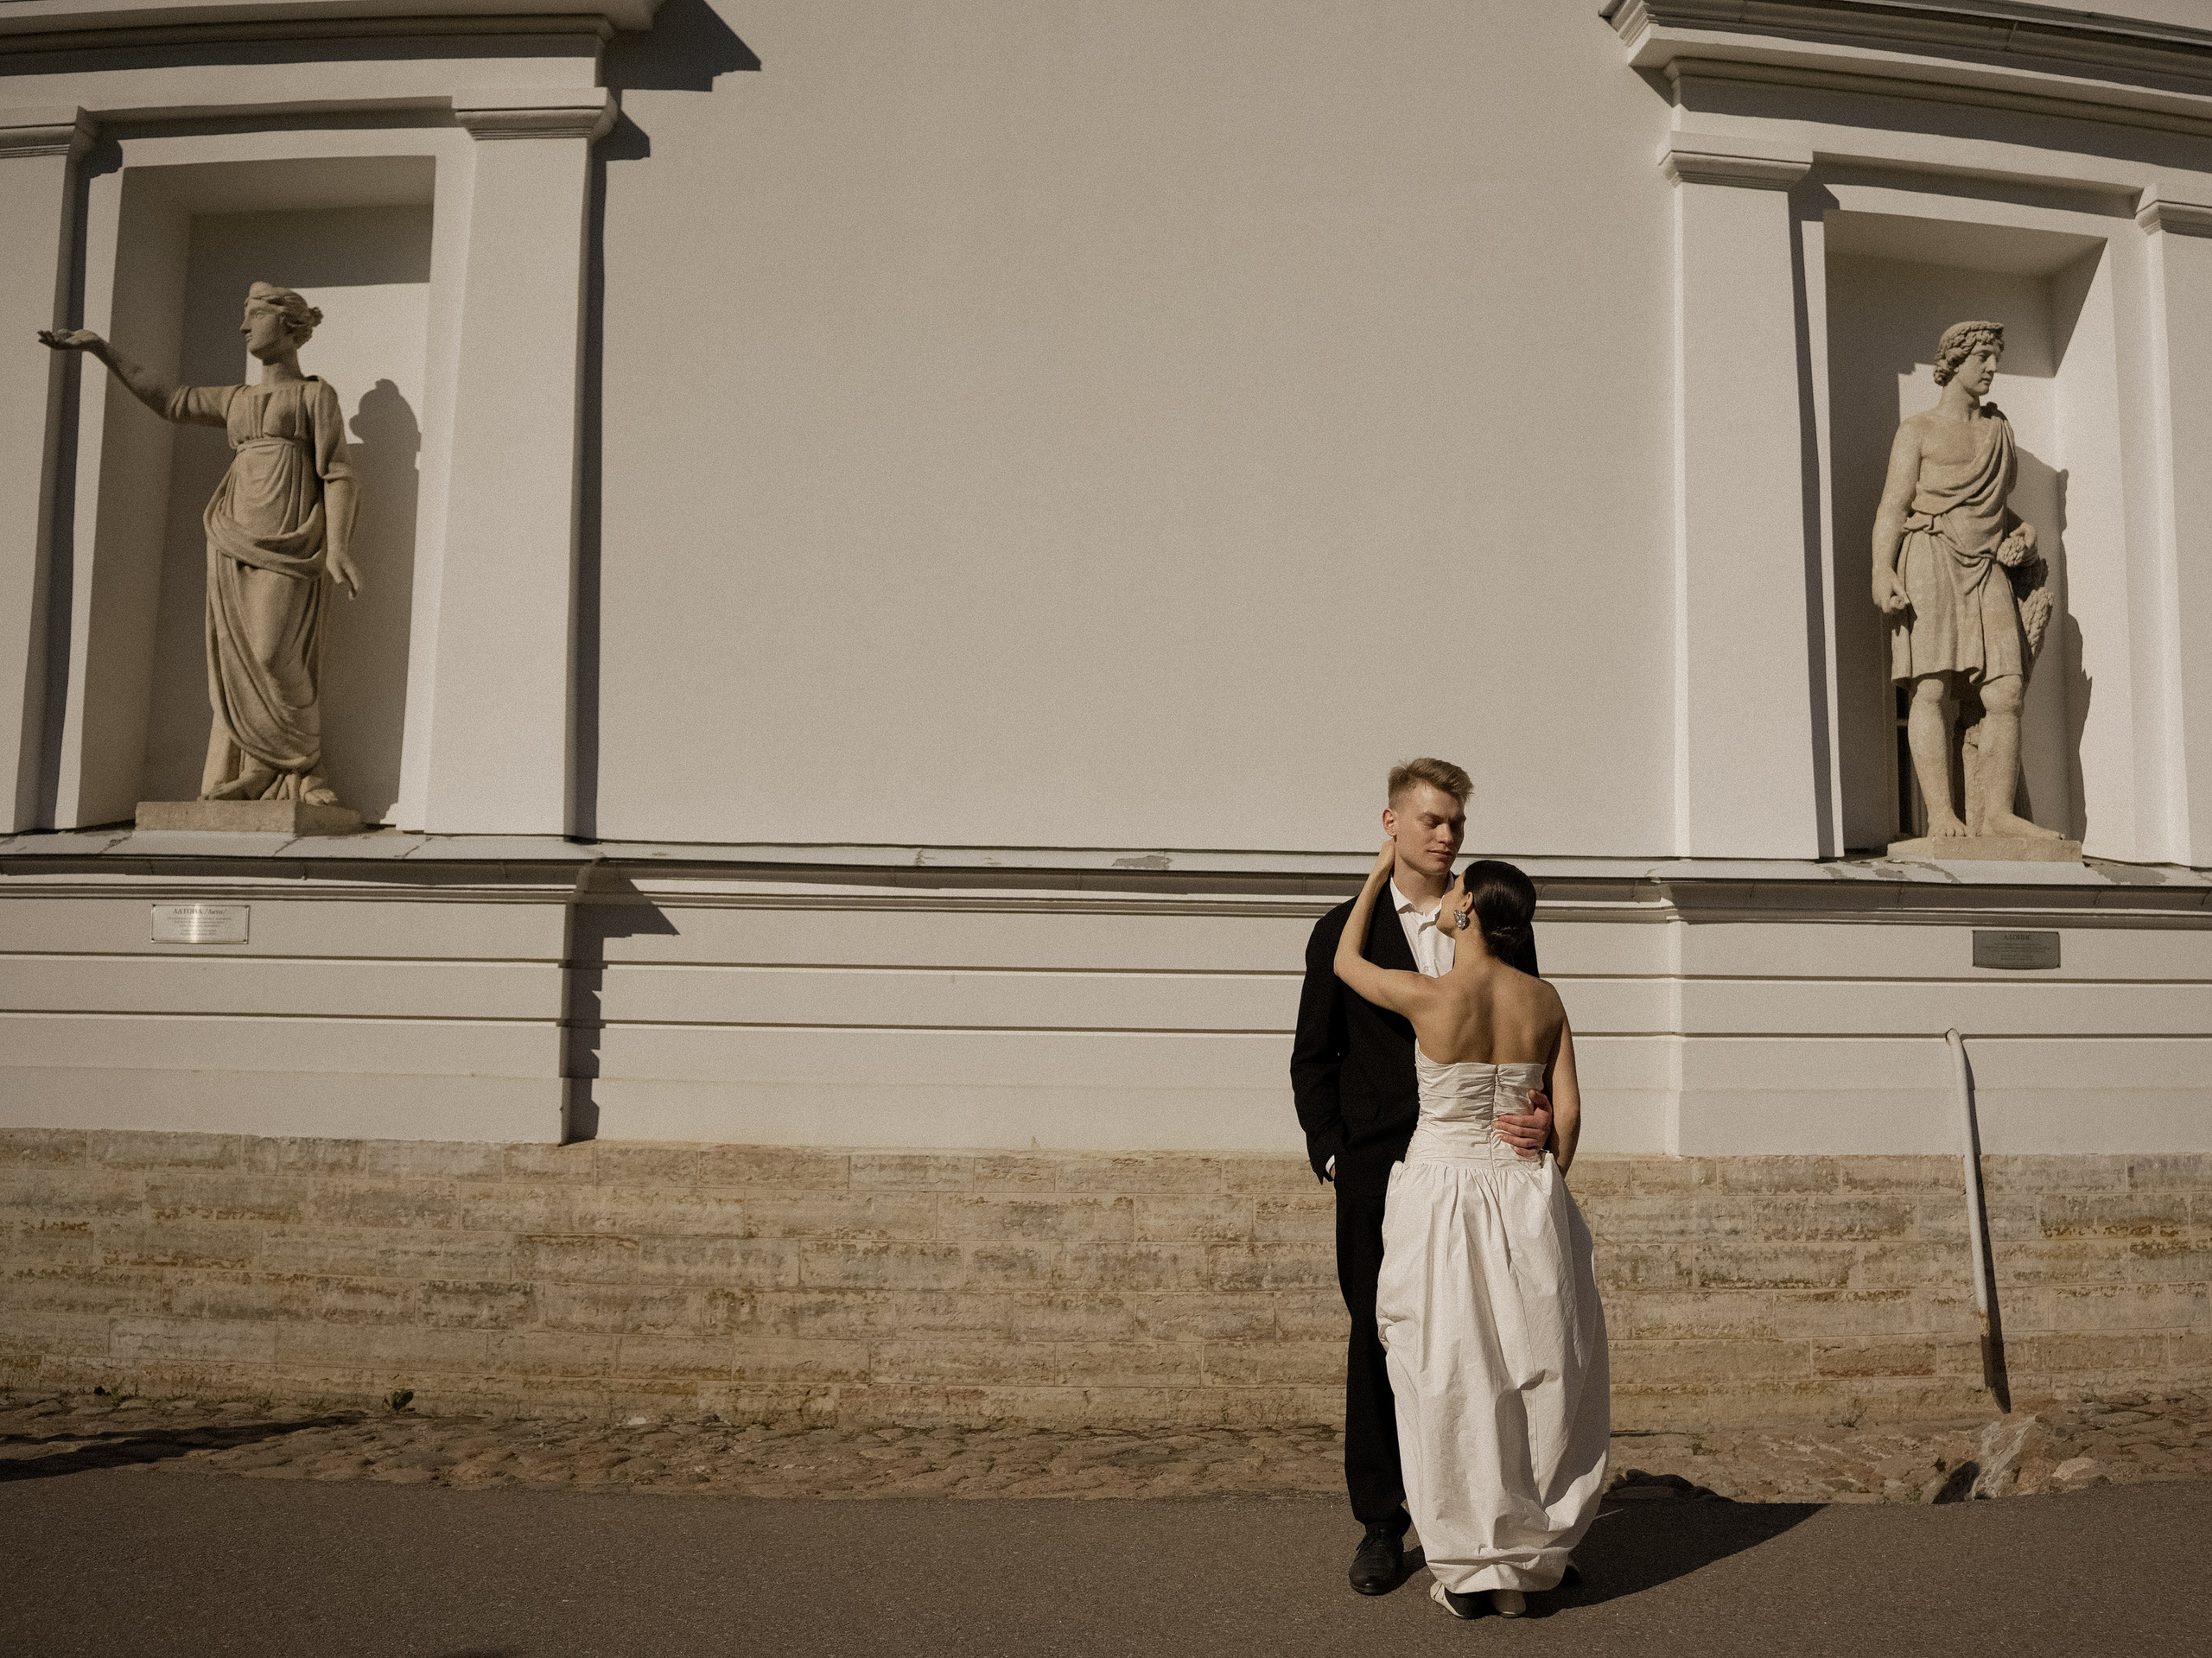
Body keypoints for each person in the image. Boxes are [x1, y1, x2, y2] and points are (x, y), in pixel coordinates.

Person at [1289, 758, 1552, 1596]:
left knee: (1487, 1347)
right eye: (1432, 820)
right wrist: (1333, 1147)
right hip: (1378, 1168)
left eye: (1456, 824)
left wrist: (1541, 1113)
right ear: (1391, 823)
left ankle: (1489, 1523)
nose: (1447, 836)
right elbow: (1312, 1054)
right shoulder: (1343, 928)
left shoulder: (1495, 917)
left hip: (1481, 1173)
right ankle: (1380, 1523)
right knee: (1381, 1342)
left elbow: (1531, 1029)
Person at [1333, 847, 1606, 1620]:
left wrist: (1380, 872)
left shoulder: (1431, 996)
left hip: (1441, 1195)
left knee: (1450, 1375)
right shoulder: (1545, 1000)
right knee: (1537, 1369)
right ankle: (1527, 1557)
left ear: (1471, 912)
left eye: (1457, 890)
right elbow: (1572, 1115)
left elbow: (1347, 961)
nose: (1447, 893)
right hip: (1523, 1194)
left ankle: (1472, 1564)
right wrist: (1547, 1156)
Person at [41, 282, 361, 805]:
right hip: (234, 529)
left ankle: (306, 764)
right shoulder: (235, 399)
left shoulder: (313, 395)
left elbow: (339, 472)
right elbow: (168, 400)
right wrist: (101, 349)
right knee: (242, 659)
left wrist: (341, 546)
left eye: (254, 315)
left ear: (289, 325)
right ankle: (260, 769)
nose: (243, 327)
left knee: (272, 650)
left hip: (292, 535)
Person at [1872, 318, 2058, 843]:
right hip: (1929, 554)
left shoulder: (1998, 430)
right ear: (1953, 363)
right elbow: (1893, 504)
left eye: (1996, 358)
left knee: (2006, 690)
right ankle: (1940, 815)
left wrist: (2022, 528)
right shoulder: (1918, 430)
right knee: (1930, 687)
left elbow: (1993, 507)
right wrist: (1880, 569)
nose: (1993, 369)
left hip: (1986, 563)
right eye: (1983, 359)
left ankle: (1996, 812)